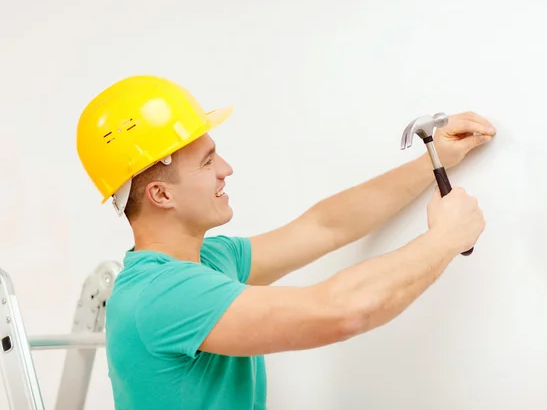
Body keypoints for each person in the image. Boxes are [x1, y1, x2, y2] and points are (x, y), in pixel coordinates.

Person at [76, 75, 495, 410]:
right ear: (161, 195)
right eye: (207, 161)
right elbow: (340, 312)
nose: (227, 168)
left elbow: (323, 226)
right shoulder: (163, 295)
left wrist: (433, 161)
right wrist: (444, 239)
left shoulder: (209, 260)